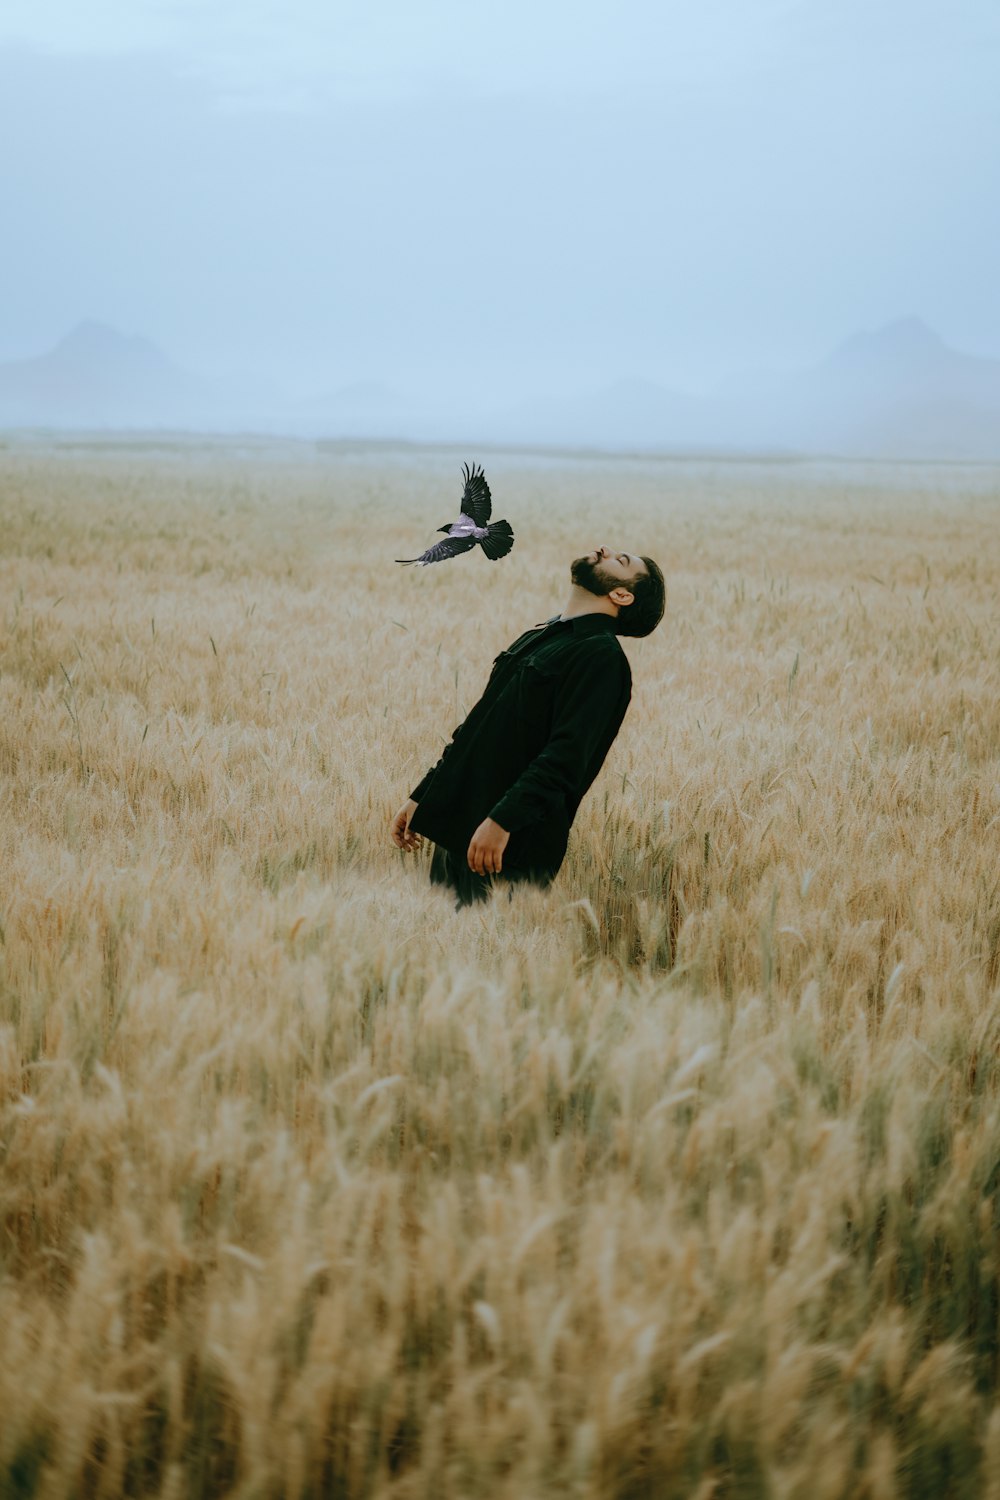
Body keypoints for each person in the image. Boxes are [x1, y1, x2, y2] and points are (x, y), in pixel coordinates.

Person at [390, 545, 666, 906]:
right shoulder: (543, 636)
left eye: (622, 561)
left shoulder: (601, 658)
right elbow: (477, 726)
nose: (605, 549)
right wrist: (423, 795)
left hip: (505, 847)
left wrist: (503, 821)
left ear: (621, 594)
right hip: (459, 828)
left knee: (489, 956)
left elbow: (566, 757)